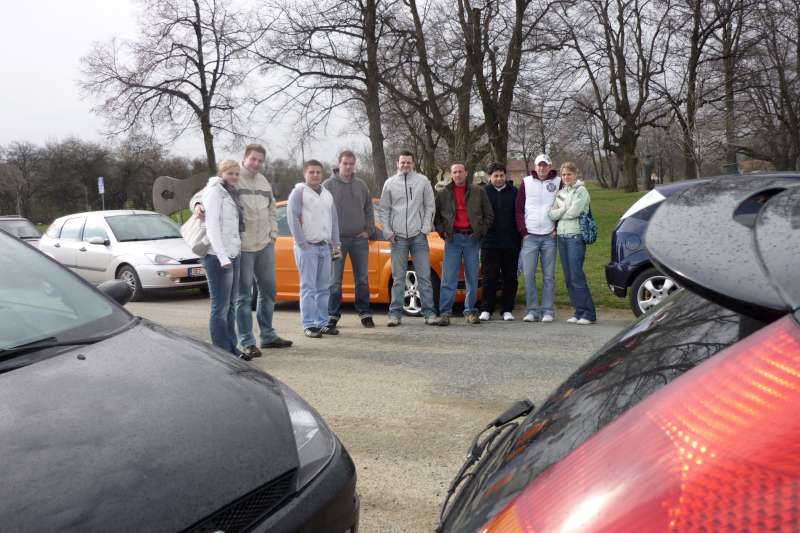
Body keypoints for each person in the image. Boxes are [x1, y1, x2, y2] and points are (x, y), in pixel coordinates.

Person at [192, 144, 292, 359]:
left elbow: (272, 209)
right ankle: (247, 342)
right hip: (242, 247)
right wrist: (198, 205)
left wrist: (273, 234)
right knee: (243, 297)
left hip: (264, 244)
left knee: (269, 291)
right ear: (244, 158)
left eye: (260, 160)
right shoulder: (232, 176)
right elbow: (201, 196)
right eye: (253, 159)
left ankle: (268, 335)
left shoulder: (263, 181)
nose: (256, 163)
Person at [377, 151, 438, 327]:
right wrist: (388, 232)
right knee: (398, 278)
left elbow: (430, 206)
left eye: (408, 162)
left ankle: (429, 313)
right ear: (397, 163)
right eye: (402, 162)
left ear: (413, 164)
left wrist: (425, 228)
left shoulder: (423, 181)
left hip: (418, 236)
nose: (405, 165)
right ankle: (395, 314)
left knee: (424, 277)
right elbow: (384, 209)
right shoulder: (389, 183)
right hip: (398, 238)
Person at [287, 160, 342, 338]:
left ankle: (322, 322)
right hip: (307, 247)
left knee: (323, 288)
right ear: (305, 174)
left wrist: (336, 244)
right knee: (308, 287)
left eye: (318, 172)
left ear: (322, 174)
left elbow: (334, 221)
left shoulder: (327, 194)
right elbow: (293, 218)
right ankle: (309, 324)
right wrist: (302, 243)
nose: (315, 175)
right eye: (311, 172)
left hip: (324, 247)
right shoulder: (299, 192)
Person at [434, 162, 493, 325]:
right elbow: (436, 216)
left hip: (472, 239)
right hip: (452, 239)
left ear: (466, 173)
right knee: (448, 278)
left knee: (472, 278)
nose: (458, 175)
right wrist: (443, 232)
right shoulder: (443, 193)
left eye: (460, 171)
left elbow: (489, 215)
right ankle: (445, 313)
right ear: (450, 174)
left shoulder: (478, 192)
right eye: (455, 172)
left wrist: (480, 232)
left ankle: (470, 311)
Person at [323, 150, 375, 328]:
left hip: (359, 240)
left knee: (362, 279)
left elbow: (369, 209)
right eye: (345, 163)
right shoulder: (328, 185)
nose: (348, 167)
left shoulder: (361, 185)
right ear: (339, 164)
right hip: (336, 242)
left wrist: (369, 230)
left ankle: (365, 313)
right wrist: (329, 236)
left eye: (351, 164)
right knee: (334, 281)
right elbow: (322, 212)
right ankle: (332, 315)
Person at [201, 160, 245, 358]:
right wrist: (222, 257)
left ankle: (232, 347)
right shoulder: (214, 192)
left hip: (234, 253)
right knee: (220, 307)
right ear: (221, 173)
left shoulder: (231, 192)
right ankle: (221, 352)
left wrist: (235, 250)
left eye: (236, 173)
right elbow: (211, 227)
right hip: (218, 257)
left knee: (232, 305)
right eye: (230, 173)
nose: (234, 177)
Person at [549, 162, 597, 324]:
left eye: (569, 174)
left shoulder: (581, 191)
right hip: (562, 237)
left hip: (575, 237)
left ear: (575, 174)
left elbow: (574, 212)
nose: (566, 177)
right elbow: (552, 214)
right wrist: (564, 208)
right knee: (569, 277)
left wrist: (561, 209)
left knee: (577, 275)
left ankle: (589, 314)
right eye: (563, 174)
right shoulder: (561, 192)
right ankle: (579, 311)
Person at [516, 153, 561, 323]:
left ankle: (548, 310)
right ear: (535, 167)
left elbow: (563, 205)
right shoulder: (526, 182)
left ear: (549, 166)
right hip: (530, 236)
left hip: (550, 236)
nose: (542, 168)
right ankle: (532, 310)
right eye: (539, 165)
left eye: (545, 165)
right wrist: (524, 231)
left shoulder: (558, 182)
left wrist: (556, 228)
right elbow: (519, 209)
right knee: (529, 275)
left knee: (549, 276)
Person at [479, 162, 520, 322]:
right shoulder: (483, 192)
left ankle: (507, 309)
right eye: (495, 176)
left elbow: (519, 214)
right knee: (490, 276)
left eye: (501, 175)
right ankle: (486, 309)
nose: (499, 178)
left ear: (505, 175)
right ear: (490, 177)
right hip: (490, 242)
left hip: (511, 242)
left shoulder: (514, 192)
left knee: (510, 277)